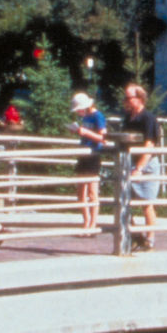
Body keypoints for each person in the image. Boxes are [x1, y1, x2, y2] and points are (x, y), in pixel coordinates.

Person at [118, 84, 162, 250]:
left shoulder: (148, 118)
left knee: (146, 204)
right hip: (130, 162)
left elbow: (149, 145)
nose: (126, 101)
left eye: (129, 97)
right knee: (124, 201)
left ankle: (150, 240)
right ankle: (135, 235)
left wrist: (139, 168)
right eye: (125, 97)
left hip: (146, 165)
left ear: (140, 98)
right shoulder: (128, 117)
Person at [71, 92, 107, 231]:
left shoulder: (98, 116)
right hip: (83, 154)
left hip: (93, 155)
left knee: (92, 192)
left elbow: (103, 138)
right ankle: (86, 221)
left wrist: (85, 133)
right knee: (80, 192)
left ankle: (93, 223)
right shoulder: (85, 116)